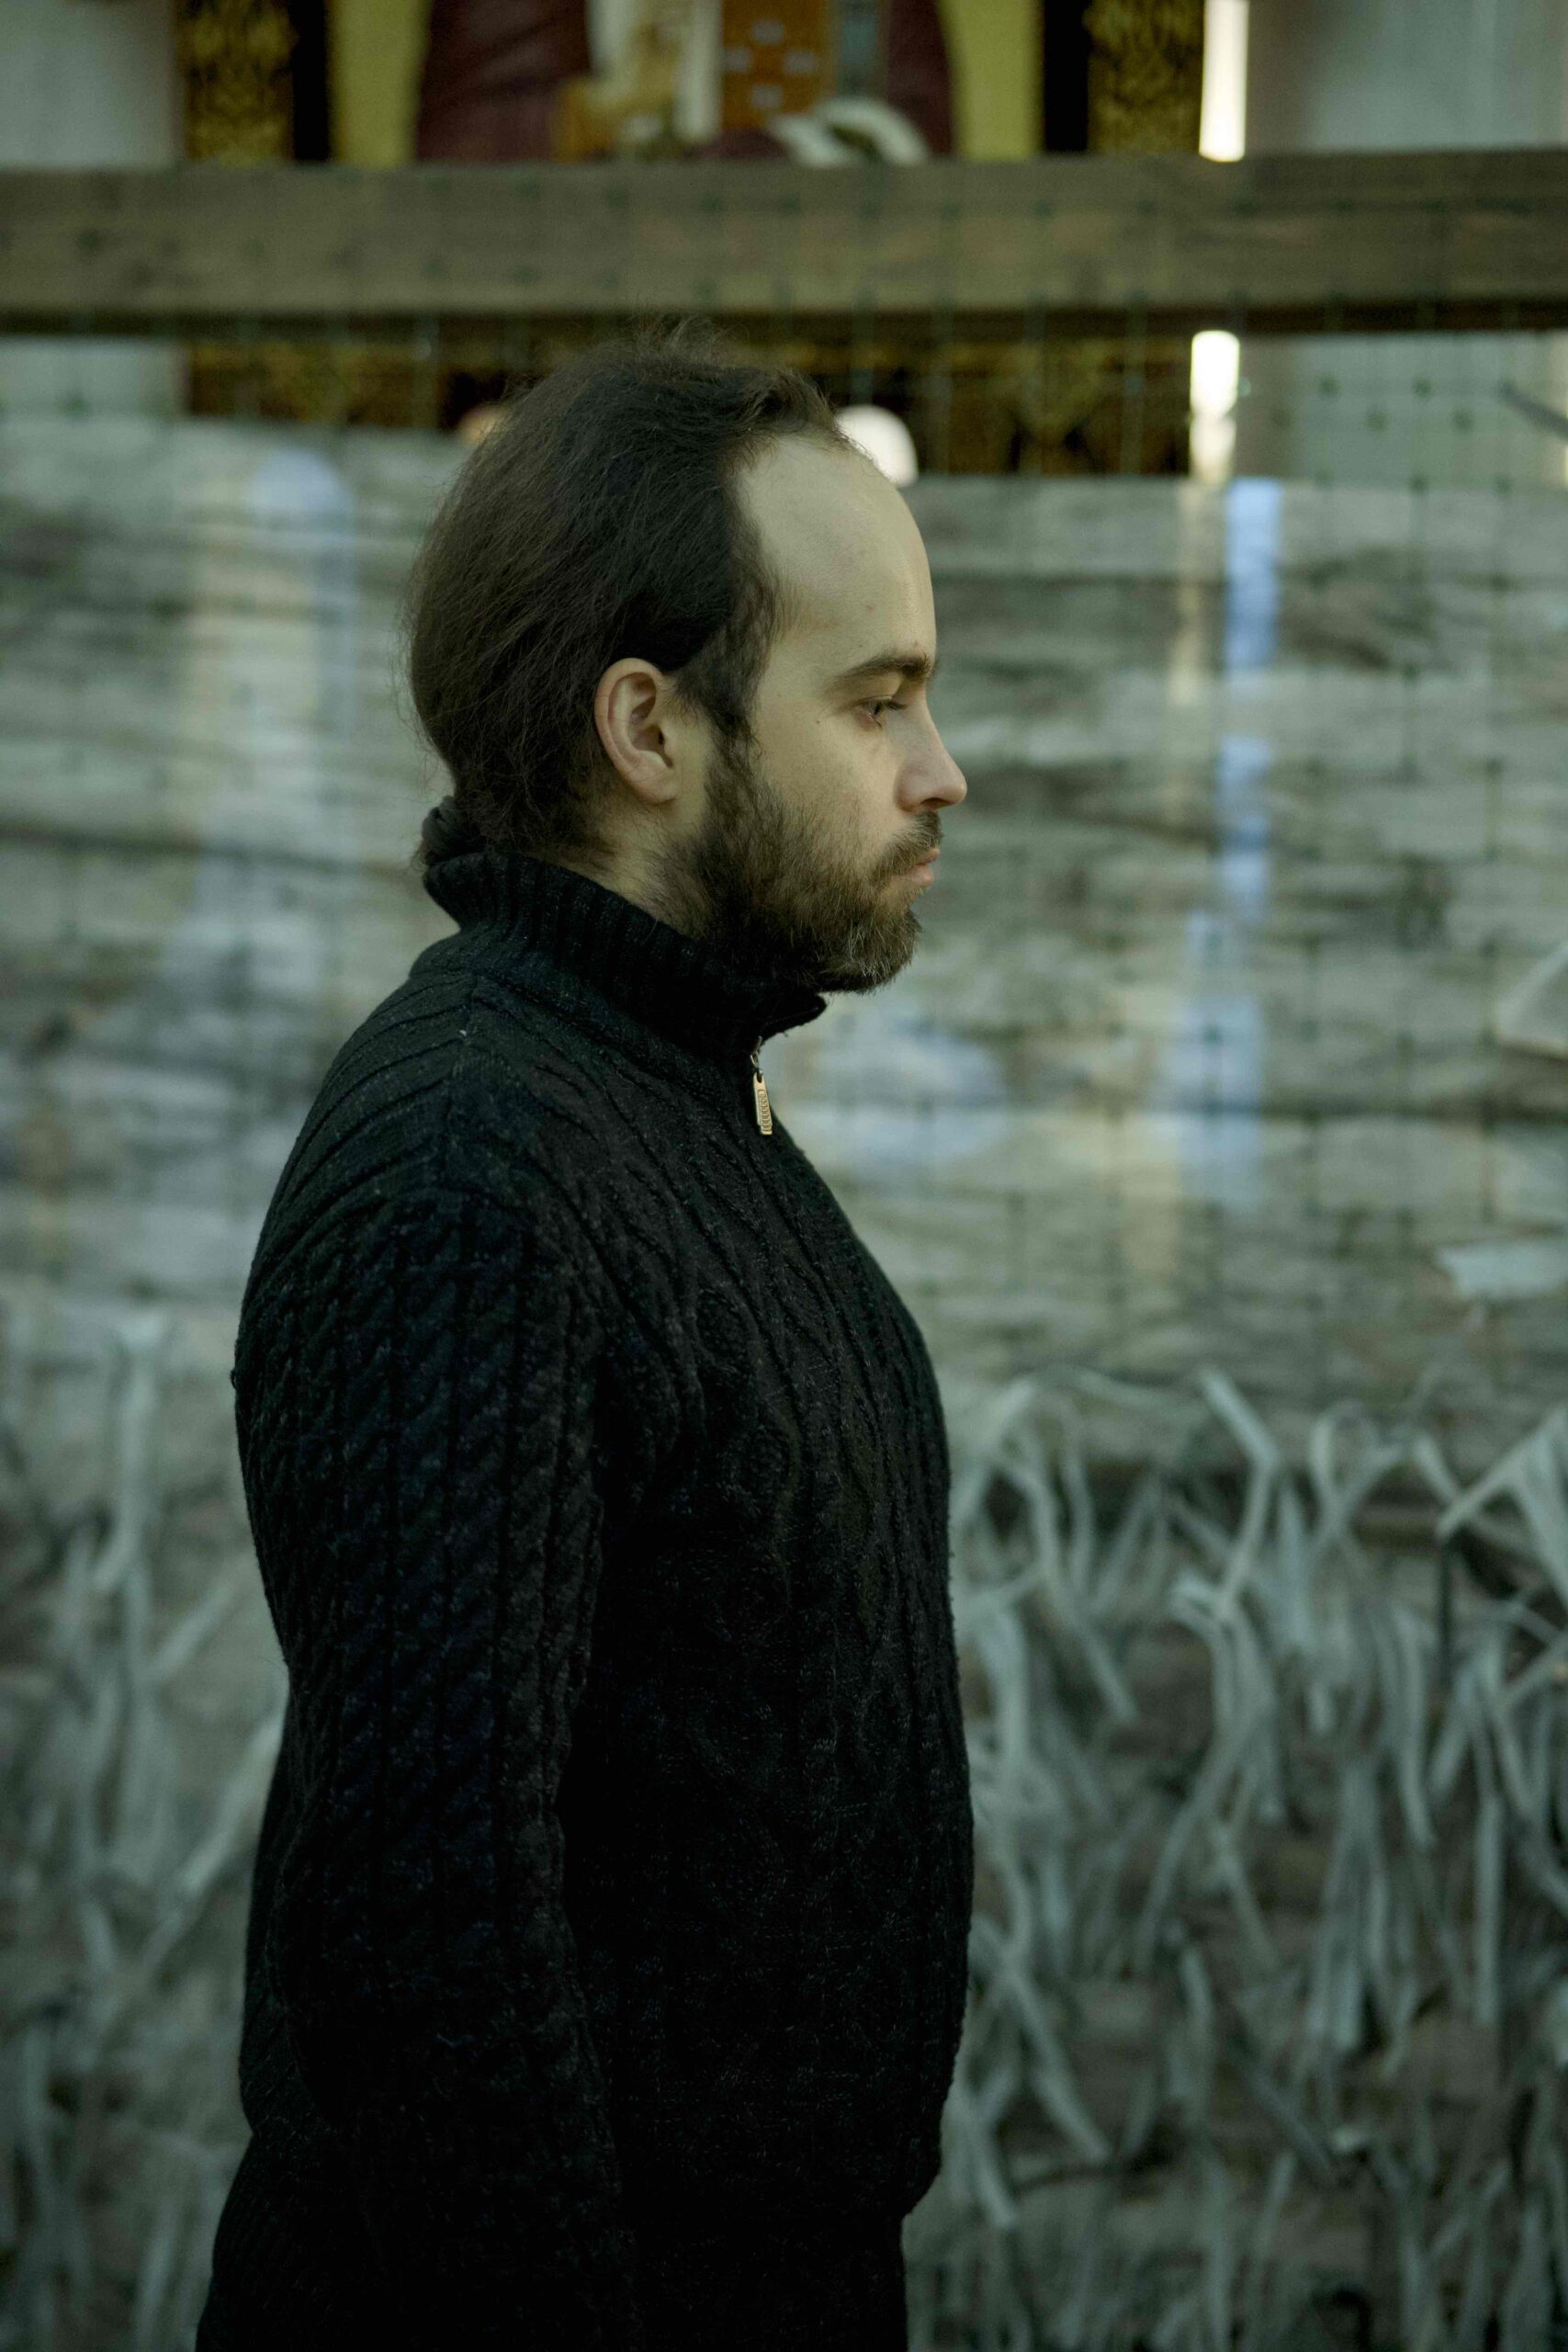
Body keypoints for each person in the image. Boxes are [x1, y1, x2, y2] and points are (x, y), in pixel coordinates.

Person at [194, 317, 971, 2352]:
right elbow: (431, 1954)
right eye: (876, 697)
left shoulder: (664, 1087)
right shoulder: (475, 1163)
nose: (938, 769)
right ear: (649, 726)